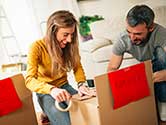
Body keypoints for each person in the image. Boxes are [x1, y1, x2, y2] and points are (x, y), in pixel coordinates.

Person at [25, 10, 93, 125]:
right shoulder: (36, 47)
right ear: (52, 32)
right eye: (65, 35)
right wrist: (52, 90)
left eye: (72, 34)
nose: (70, 40)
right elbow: (29, 80)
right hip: (46, 92)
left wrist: (81, 84)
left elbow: (77, 66)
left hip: (65, 87)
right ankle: (47, 112)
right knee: (67, 122)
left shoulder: (69, 45)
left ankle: (48, 114)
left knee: (85, 115)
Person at [107, 5, 166, 102]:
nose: (132, 38)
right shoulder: (123, 39)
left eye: (138, 34)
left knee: (160, 52)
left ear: (151, 27)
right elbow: (111, 68)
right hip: (150, 69)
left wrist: (158, 76)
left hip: (162, 67)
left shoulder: (161, 33)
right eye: (129, 32)